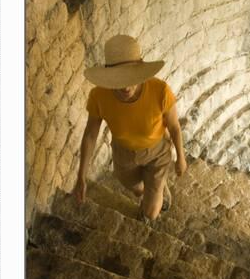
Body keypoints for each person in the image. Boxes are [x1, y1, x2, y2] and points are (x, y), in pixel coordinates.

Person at [73, 34, 187, 224]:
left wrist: (181, 158)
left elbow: (174, 126)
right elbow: (90, 135)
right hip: (123, 153)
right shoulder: (99, 96)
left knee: (151, 212)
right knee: (136, 189)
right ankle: (151, 188)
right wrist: (81, 176)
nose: (126, 87)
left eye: (131, 78)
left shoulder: (160, 91)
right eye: (119, 80)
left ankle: (155, 194)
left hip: (157, 151)